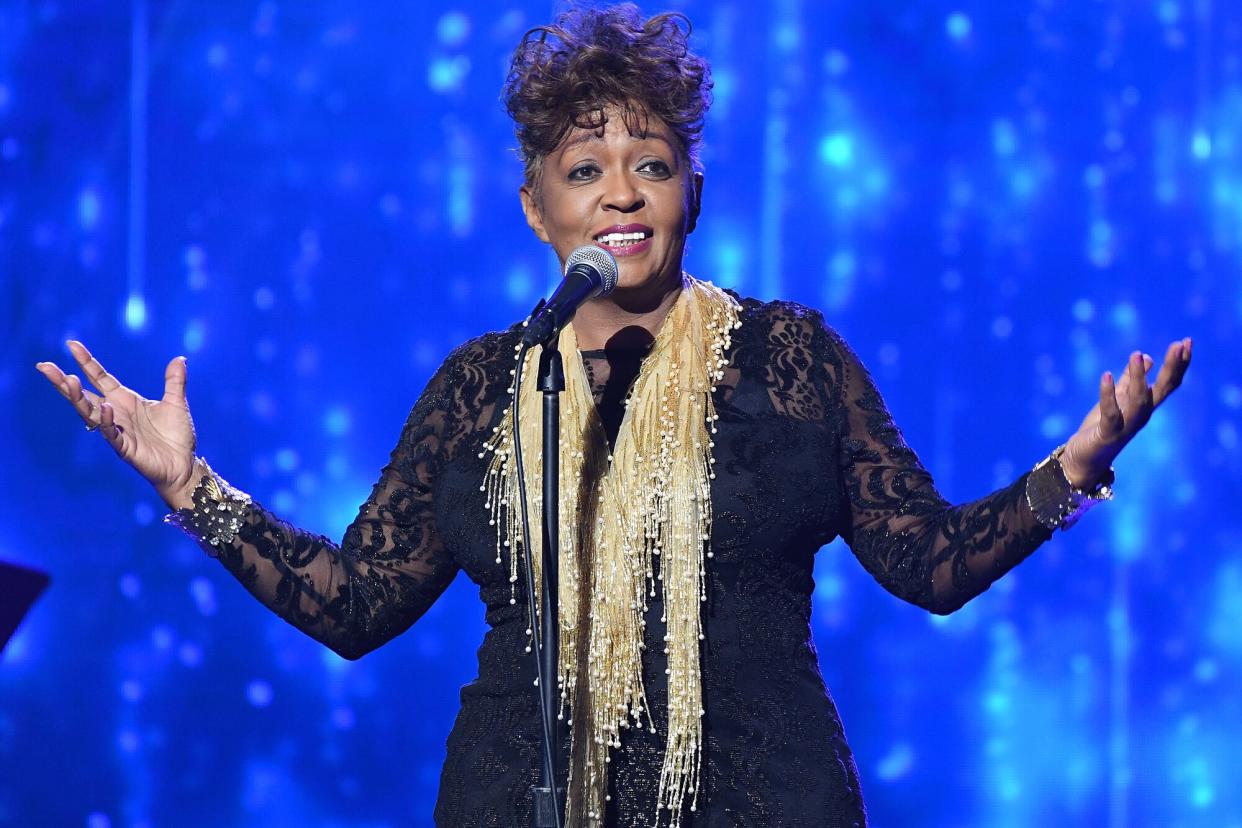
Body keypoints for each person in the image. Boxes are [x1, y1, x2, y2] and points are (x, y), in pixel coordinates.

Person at [35, 5, 1192, 826]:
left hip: (760, 799)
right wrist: (193, 487)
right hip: (513, 800)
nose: (623, 191)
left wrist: (1074, 466)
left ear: (695, 189)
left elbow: (930, 564)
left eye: (653, 161)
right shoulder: (488, 386)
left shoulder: (787, 358)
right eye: (586, 168)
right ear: (536, 205)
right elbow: (359, 605)